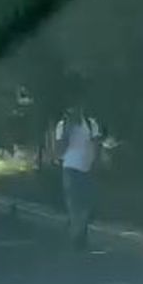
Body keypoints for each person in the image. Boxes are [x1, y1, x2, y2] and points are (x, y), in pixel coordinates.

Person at [54, 105, 102, 250]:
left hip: (87, 169)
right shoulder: (62, 126)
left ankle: (79, 232)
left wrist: (96, 162)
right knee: (74, 204)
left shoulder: (90, 124)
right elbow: (59, 151)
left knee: (85, 204)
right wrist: (67, 132)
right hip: (70, 169)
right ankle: (77, 238)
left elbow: (96, 145)